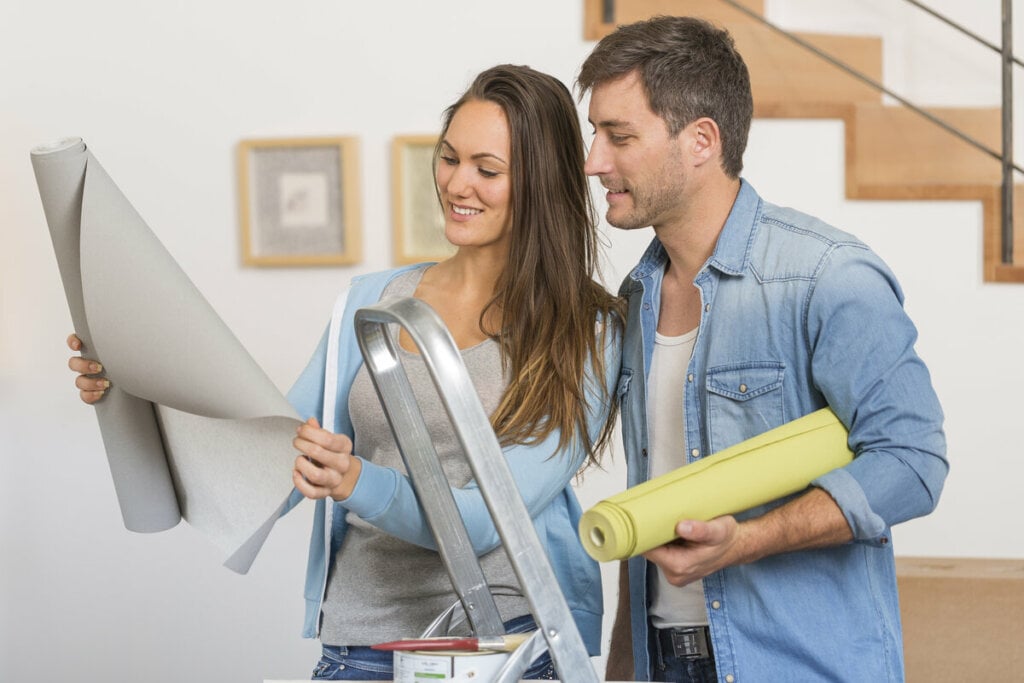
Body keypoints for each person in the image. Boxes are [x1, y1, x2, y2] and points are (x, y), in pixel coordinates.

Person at [68, 64, 623, 680]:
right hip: (362, 647)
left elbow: (489, 520)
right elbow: (272, 461)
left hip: (506, 649)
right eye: (448, 158)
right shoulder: (373, 302)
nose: (457, 184)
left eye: (487, 170)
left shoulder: (587, 331)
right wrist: (134, 393)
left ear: (540, 185)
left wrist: (357, 479)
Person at [576, 16, 948, 683]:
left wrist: (747, 541)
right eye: (595, 133)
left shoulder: (826, 276)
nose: (595, 161)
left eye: (619, 136)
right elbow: (651, 493)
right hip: (663, 659)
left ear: (701, 140)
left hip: (794, 665)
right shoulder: (637, 296)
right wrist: (623, 667)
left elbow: (914, 461)